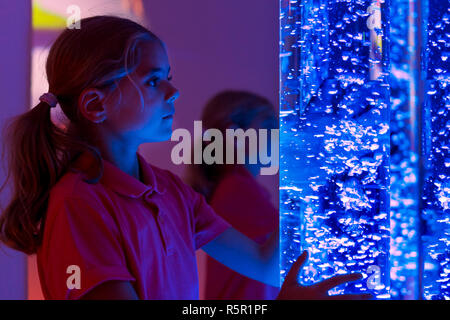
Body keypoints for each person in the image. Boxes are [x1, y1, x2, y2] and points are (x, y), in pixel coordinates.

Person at [0, 16, 370, 300]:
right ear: (97, 104)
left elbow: (264, 263)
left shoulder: (170, 190)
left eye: (169, 77)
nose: (174, 92)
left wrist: (313, 181)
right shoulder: (78, 205)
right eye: (153, 80)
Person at [186, 90, 280, 300]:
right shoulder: (236, 190)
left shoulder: (234, 188)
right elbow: (277, 264)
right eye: (269, 126)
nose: (280, 133)